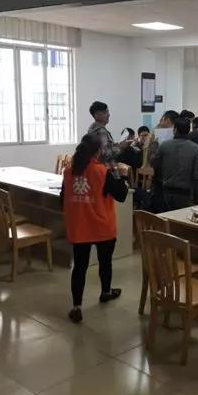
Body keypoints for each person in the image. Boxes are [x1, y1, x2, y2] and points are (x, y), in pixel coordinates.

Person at [61, 134, 129, 323]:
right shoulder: (101, 171)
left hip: (80, 227)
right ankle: (106, 292)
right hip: (102, 226)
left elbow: (63, 198)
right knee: (105, 262)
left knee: (79, 268)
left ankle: (76, 307)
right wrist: (123, 175)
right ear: (98, 151)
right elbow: (121, 195)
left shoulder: (69, 171)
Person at [152, 117, 198, 210]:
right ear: (189, 130)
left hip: (166, 192)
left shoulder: (164, 145)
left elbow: (154, 163)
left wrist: (154, 147)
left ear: (175, 130)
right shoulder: (195, 148)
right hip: (186, 194)